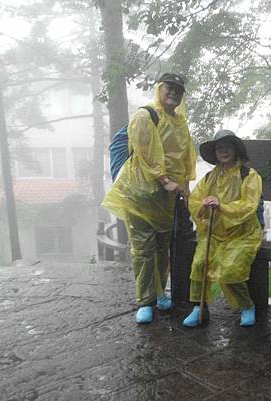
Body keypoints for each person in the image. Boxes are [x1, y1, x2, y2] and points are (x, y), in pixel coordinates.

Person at [102, 72, 196, 324]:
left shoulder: (181, 123)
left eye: (178, 89)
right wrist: (165, 180)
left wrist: (185, 187)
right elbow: (146, 154)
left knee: (162, 248)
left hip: (166, 199)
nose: (174, 92)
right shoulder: (146, 115)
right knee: (143, 249)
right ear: (159, 89)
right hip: (140, 194)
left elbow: (186, 158)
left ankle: (158, 292)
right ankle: (145, 301)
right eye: (169, 87)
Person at [183, 130, 263, 328]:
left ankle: (246, 306)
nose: (223, 151)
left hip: (242, 234)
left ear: (235, 150)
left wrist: (223, 207)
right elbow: (194, 200)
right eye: (219, 148)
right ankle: (199, 307)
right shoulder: (210, 177)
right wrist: (205, 205)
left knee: (231, 267)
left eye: (227, 147)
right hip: (214, 233)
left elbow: (249, 205)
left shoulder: (249, 175)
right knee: (199, 263)